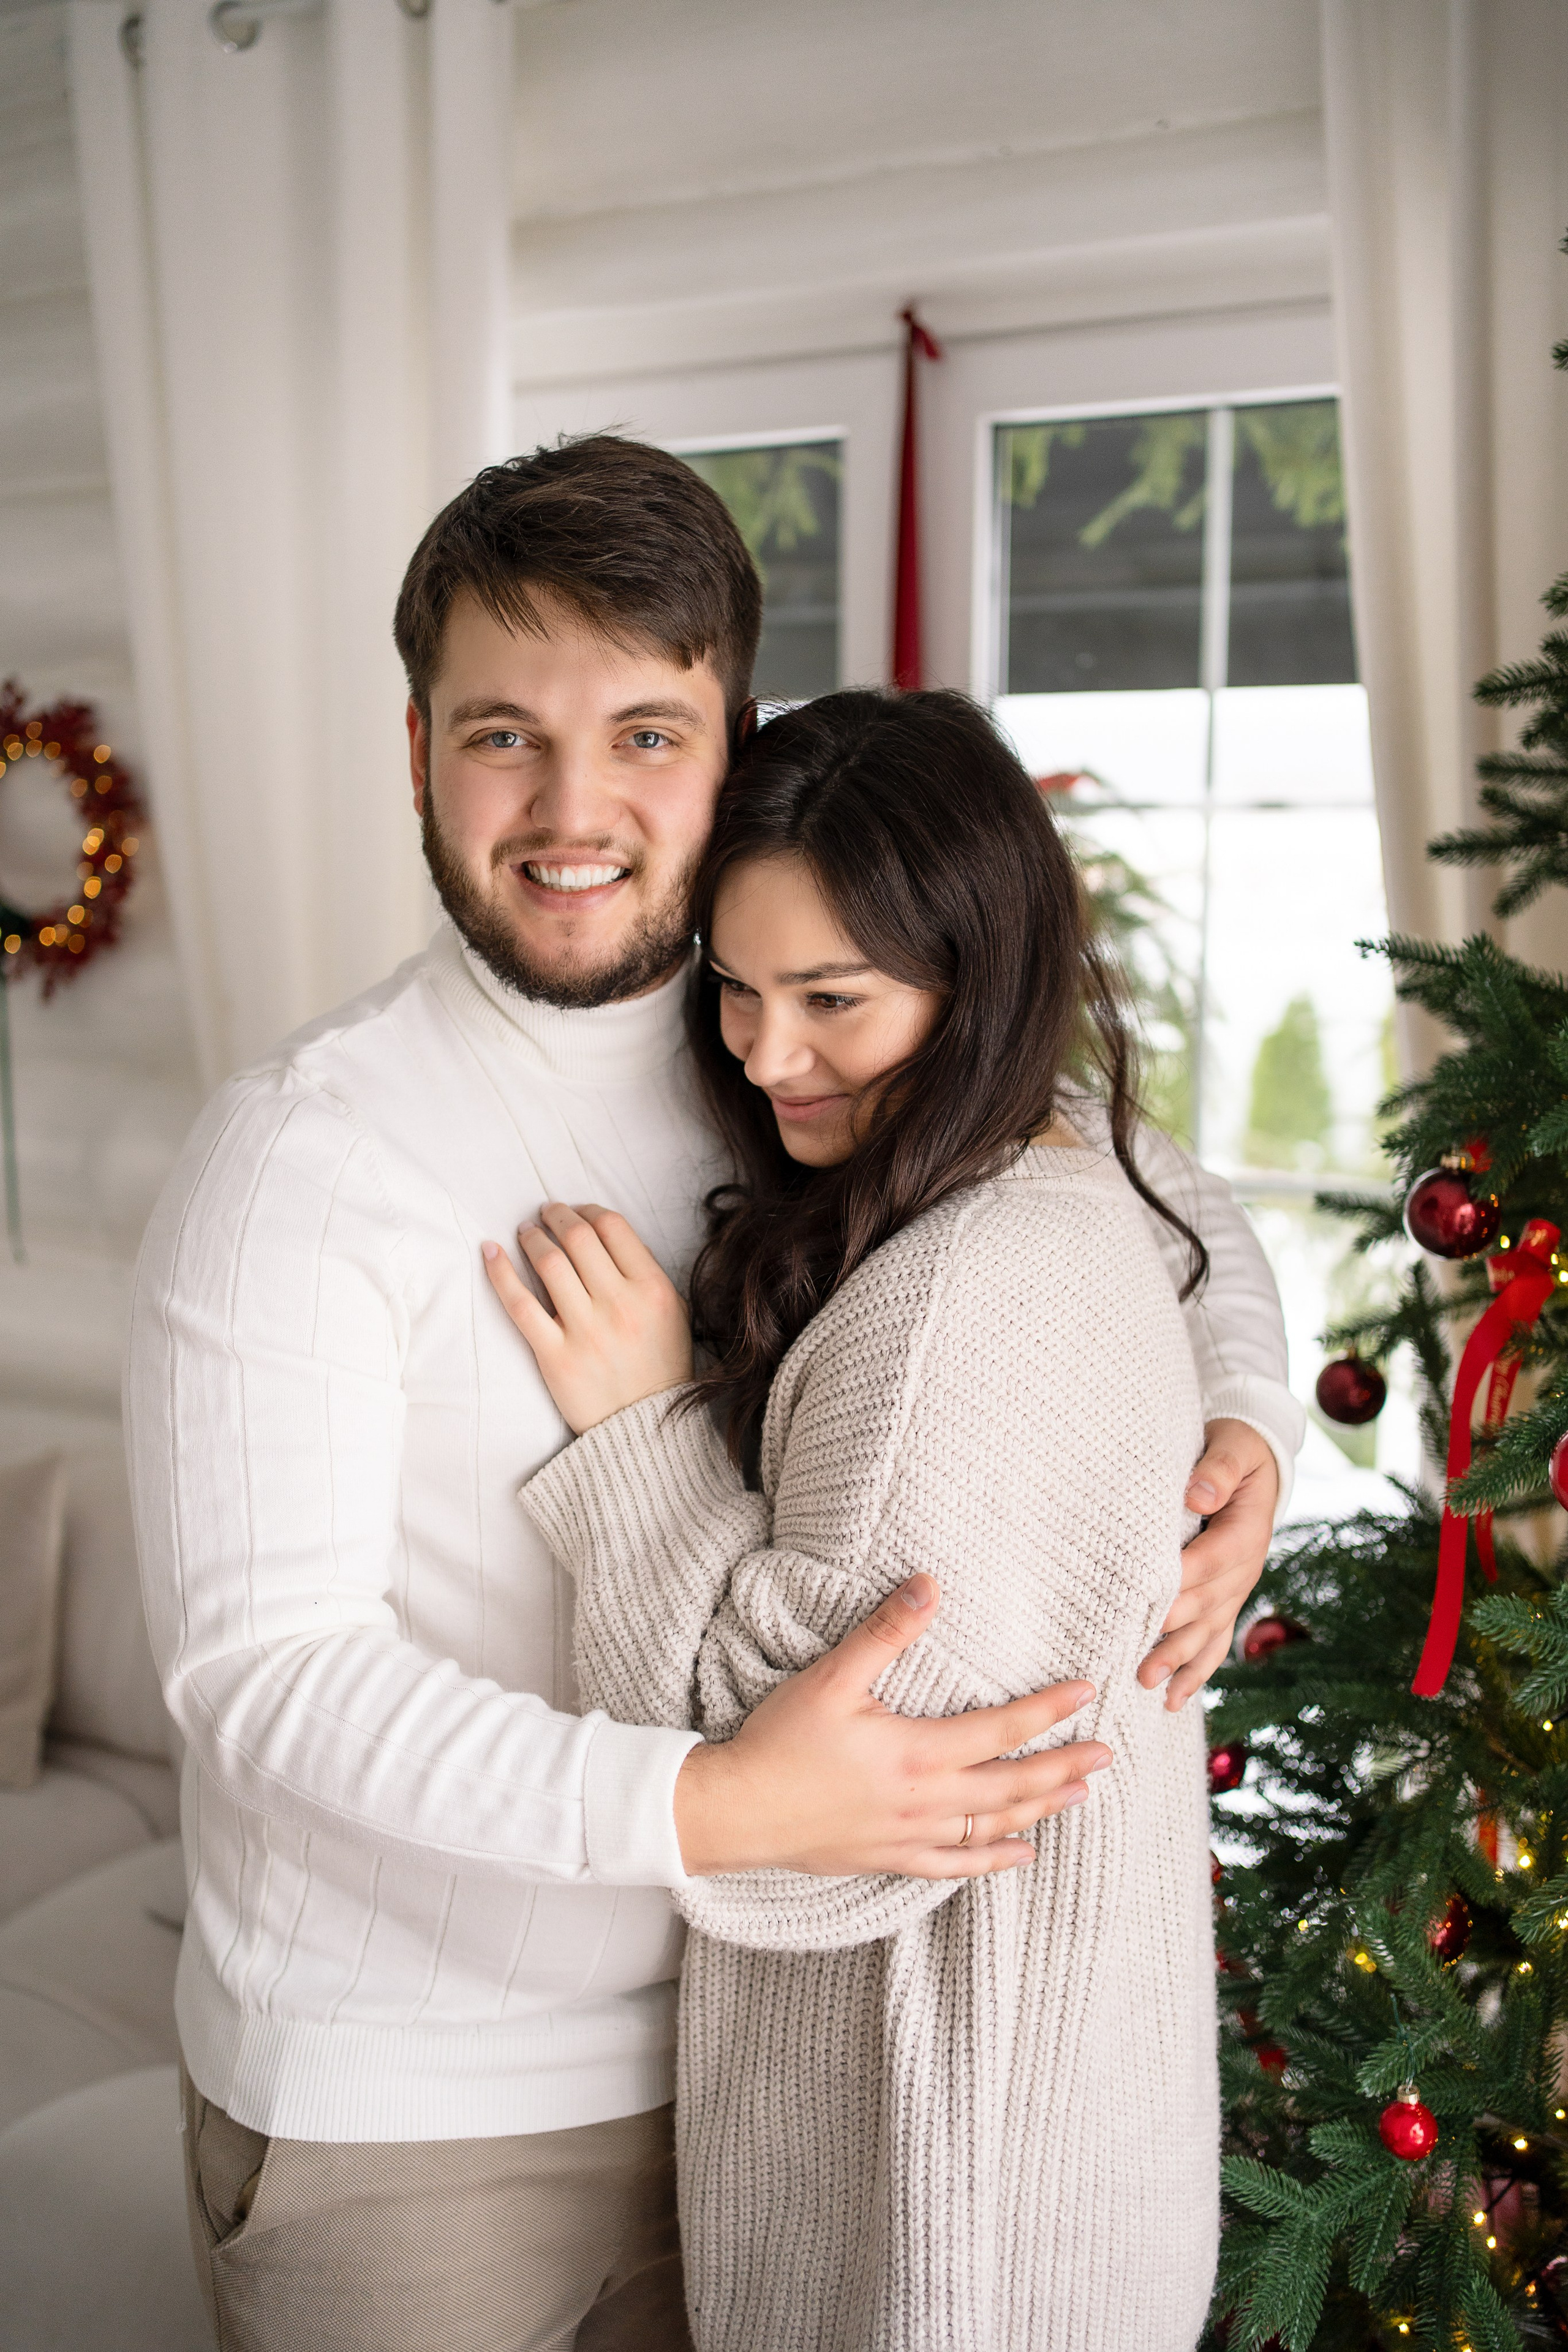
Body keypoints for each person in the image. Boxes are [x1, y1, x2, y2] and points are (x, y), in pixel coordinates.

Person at [126, 436, 1300, 2352]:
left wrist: (1246, 1422)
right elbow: (264, 1677)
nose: (572, 806)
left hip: (761, 2081)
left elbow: (1135, 1187)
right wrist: (718, 1804)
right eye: (502, 732)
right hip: (417, 2132)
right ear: (413, 749)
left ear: (732, 742)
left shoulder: (777, 1025)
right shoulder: (301, 1157)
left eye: (646, 734)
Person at [489, 686, 1221, 2351]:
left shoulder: (954, 1308)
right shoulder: (1040, 1181)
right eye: (735, 990)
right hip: (1040, 2166)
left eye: (832, 999)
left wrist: (635, 1434)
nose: (762, 1054)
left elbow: (784, 1809)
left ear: (984, 974)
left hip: (940, 2221)